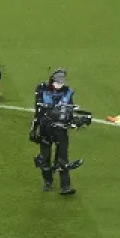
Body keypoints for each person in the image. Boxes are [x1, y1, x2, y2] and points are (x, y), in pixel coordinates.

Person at [31, 68, 85, 196]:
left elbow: (69, 110)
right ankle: (47, 181)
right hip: (45, 128)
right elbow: (38, 109)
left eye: (61, 82)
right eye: (57, 82)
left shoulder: (68, 92)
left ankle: (65, 186)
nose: (59, 85)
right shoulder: (42, 89)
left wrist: (76, 120)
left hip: (61, 129)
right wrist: (35, 127)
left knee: (62, 157)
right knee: (45, 157)